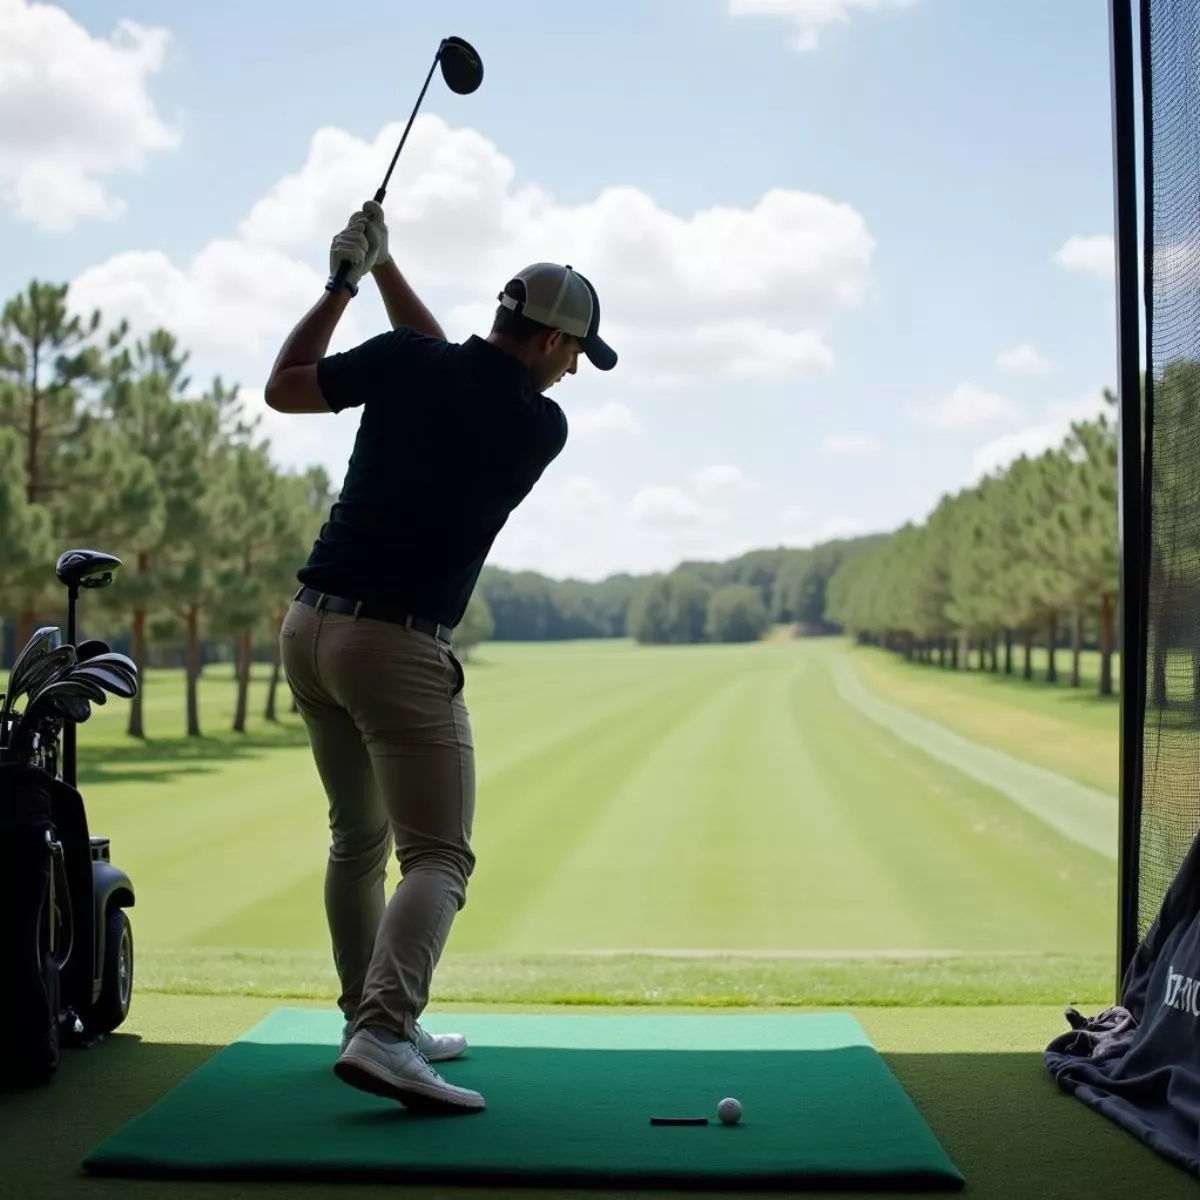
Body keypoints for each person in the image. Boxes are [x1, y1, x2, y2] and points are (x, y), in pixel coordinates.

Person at [265, 202, 617, 1115]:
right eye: (575, 352)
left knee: (358, 839)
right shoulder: (539, 425)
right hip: (395, 646)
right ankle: (383, 1033)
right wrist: (378, 276)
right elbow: (456, 371)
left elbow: (288, 385)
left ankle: (366, 1020)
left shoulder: (409, 366)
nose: (575, 369)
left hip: (308, 630)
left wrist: (351, 279)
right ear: (547, 342)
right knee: (439, 857)